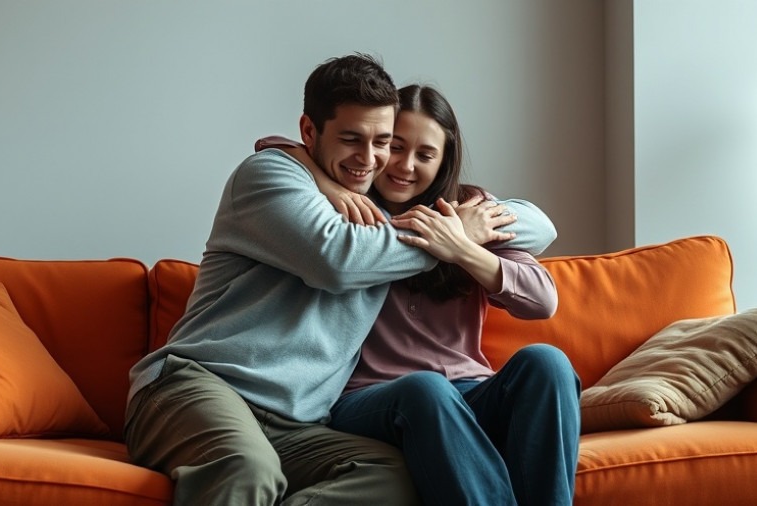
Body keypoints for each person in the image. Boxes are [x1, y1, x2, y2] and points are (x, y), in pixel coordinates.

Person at [125, 53, 435, 506]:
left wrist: (461, 229)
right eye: (351, 139)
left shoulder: (389, 214)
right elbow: (336, 260)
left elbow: (532, 224)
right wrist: (449, 240)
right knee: (247, 467)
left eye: (383, 142)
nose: (369, 159)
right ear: (309, 131)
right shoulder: (270, 174)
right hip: (195, 388)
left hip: (297, 424)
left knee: (392, 475)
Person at [261, 84, 581, 505]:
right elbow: (271, 147)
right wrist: (329, 184)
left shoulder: (465, 213)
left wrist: (462, 247)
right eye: (394, 146)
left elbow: (543, 299)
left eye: (426, 155)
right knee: (425, 389)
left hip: (469, 392)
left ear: (444, 161)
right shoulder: (345, 214)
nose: (406, 166)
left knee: (548, 362)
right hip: (369, 400)